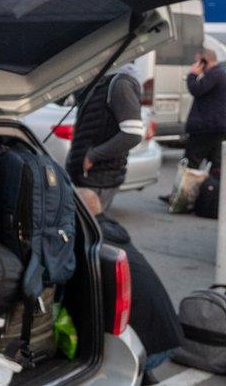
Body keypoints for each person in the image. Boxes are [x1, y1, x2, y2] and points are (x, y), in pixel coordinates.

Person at [76, 188, 182, 374]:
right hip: (170, 339)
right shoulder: (113, 231)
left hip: (146, 352)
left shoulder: (93, 244)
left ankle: (140, 372)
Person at [65, 64, 144, 211]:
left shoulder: (120, 84)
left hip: (98, 178)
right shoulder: (102, 81)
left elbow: (132, 134)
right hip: (86, 176)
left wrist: (92, 156)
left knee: (93, 230)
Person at [184, 48, 226, 172]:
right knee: (216, 163)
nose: (195, 65)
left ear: (204, 62)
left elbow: (196, 89)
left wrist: (192, 75)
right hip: (216, 126)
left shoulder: (214, 74)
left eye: (197, 62)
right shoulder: (220, 73)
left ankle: (186, 191)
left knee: (191, 162)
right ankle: (214, 189)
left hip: (205, 127)